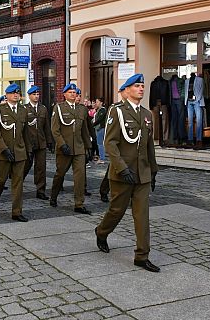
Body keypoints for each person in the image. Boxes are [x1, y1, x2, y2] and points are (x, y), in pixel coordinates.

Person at [94, 74, 160, 273]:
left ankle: (141, 256)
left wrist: (153, 171)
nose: (141, 89)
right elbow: (110, 143)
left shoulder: (147, 114)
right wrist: (122, 168)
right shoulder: (117, 112)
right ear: (127, 89)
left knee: (142, 215)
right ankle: (101, 232)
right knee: (116, 210)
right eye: (137, 86)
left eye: (142, 85)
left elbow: (149, 146)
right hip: (122, 173)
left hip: (142, 174)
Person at [0, 83, 32, 222]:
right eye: (13, 93)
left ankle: (16, 211)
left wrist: (29, 149)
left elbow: (25, 132)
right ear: (7, 95)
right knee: (1, 180)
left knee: (18, 182)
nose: (16, 95)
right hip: (3, 152)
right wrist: (4, 149)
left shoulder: (23, 110)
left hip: (19, 151)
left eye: (18, 93)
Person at [49, 84, 92, 214]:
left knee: (79, 177)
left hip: (79, 148)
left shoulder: (82, 109)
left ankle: (79, 204)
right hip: (64, 149)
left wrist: (89, 147)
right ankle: (53, 196)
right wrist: (62, 144)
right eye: (70, 92)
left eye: (75, 92)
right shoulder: (59, 108)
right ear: (65, 94)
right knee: (60, 174)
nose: (73, 94)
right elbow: (55, 130)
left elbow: (84, 130)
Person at [23, 85, 54, 200]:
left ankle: (40, 190)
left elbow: (47, 126)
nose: (36, 97)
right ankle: (18, 182)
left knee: (41, 167)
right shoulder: (24, 109)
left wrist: (49, 141)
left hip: (41, 142)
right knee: (26, 165)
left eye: (37, 94)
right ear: (29, 96)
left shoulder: (43, 109)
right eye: (34, 95)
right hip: (29, 143)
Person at [93, 97, 108, 164]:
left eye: (97, 102)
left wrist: (93, 124)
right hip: (98, 128)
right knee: (99, 143)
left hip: (101, 128)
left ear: (101, 103)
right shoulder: (98, 110)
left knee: (100, 143)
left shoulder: (103, 110)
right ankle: (101, 157)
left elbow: (99, 119)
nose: (96, 103)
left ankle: (102, 158)